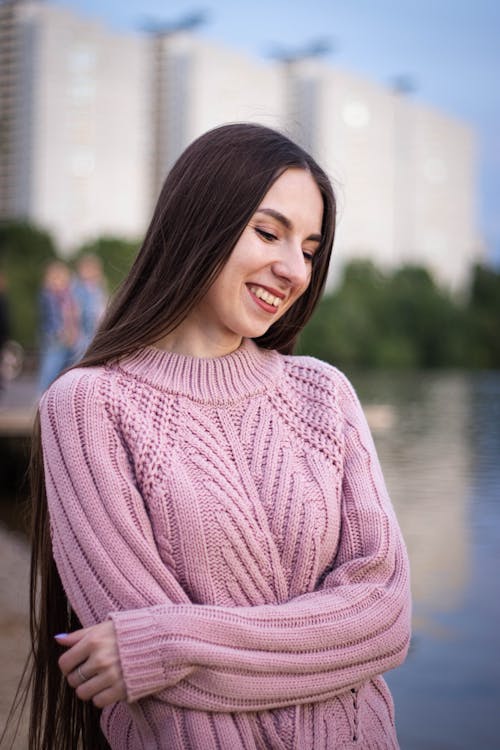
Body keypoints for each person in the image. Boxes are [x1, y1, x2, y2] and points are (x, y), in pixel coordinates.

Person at [26, 124, 411, 749]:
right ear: (198, 223)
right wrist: (319, 646)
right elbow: (171, 704)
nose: (293, 270)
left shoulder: (324, 394)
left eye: (310, 250)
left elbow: (385, 617)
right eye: (268, 232)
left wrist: (170, 641)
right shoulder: (90, 406)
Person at [37, 260, 79, 394]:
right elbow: (53, 317)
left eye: (62, 278)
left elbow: (73, 317)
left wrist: (73, 332)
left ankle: (57, 393)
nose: (59, 282)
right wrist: (62, 332)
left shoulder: (67, 296)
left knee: (64, 369)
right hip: (55, 337)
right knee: (51, 367)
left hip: (68, 338)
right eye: (55, 278)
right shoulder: (49, 295)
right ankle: (42, 395)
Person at [71, 253, 108, 358]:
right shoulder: (77, 287)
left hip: (96, 327)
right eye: (86, 269)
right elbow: (75, 308)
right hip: (83, 329)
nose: (90, 273)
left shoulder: (98, 287)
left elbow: (102, 304)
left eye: (93, 270)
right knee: (80, 353)